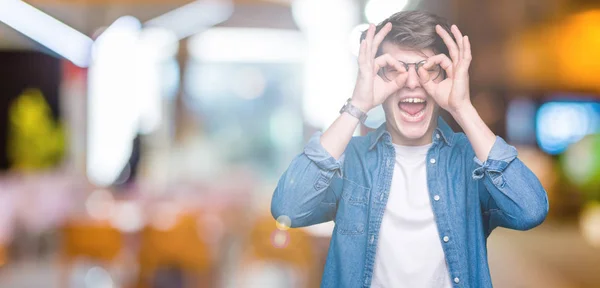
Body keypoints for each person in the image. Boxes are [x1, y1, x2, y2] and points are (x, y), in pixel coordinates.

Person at [271, 10, 548, 288]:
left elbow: (530, 210)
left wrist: (463, 108)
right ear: (376, 75)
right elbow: (288, 208)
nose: (413, 82)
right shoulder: (351, 158)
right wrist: (357, 105)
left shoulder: (470, 159)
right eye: (396, 69)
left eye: (428, 68)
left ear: (446, 75)